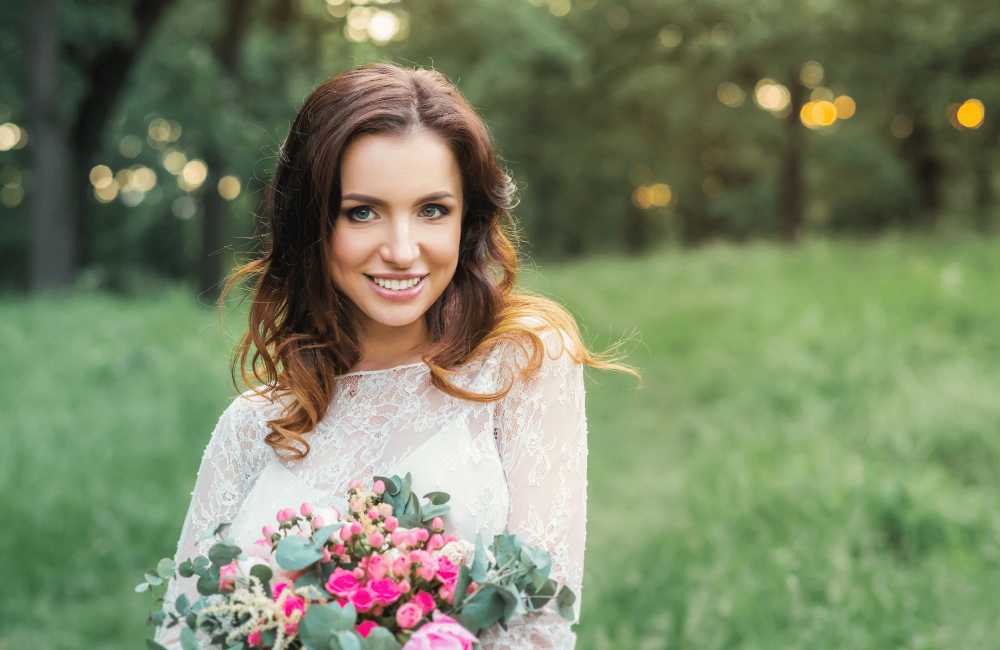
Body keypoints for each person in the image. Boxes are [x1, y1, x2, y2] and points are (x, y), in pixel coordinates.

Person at [156, 63, 631, 649]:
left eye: (432, 210)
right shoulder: (252, 425)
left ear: (468, 219)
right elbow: (187, 630)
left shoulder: (521, 364)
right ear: (313, 222)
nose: (402, 251)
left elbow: (539, 625)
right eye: (363, 211)